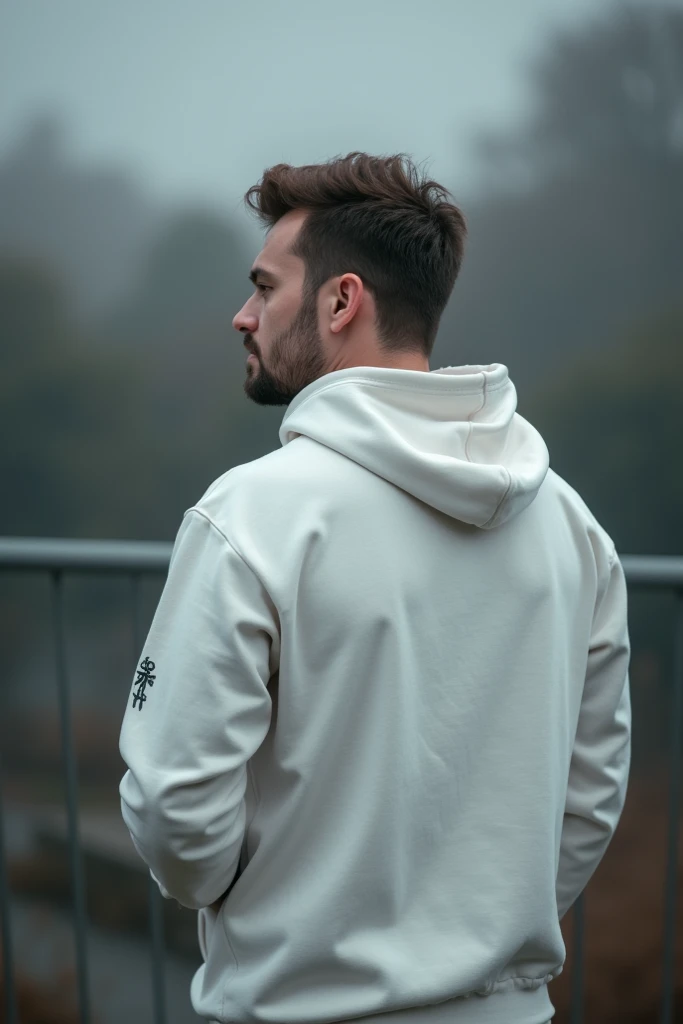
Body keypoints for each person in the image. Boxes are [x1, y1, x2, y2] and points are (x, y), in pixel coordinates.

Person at [118, 152, 631, 1024]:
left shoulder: (250, 514)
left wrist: (262, 899)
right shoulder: (569, 522)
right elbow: (590, 796)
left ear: (340, 301)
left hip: (297, 1005)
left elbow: (174, 811)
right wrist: (482, 926)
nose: (242, 316)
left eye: (263, 288)